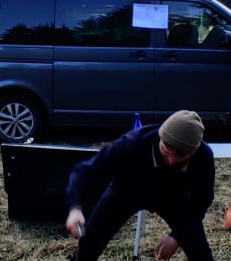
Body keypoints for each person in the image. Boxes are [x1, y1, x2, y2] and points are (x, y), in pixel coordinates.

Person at [65, 110, 215, 261]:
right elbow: (83, 170)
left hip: (174, 199)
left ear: (194, 151)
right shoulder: (132, 143)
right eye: (166, 149)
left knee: (200, 252)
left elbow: (202, 200)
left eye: (180, 155)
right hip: (126, 192)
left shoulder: (204, 158)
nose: (171, 160)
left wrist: (176, 236)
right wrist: (75, 208)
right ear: (160, 137)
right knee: (89, 243)